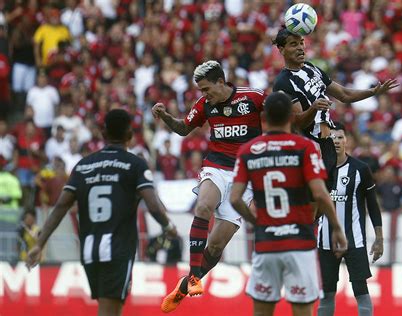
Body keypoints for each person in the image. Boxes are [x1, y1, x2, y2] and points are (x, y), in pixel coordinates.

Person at [26, 109, 177, 316]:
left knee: (110, 309)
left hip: (89, 251)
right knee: (108, 311)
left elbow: (61, 206)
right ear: (130, 135)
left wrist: (39, 244)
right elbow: (152, 205)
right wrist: (169, 227)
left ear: (103, 133)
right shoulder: (135, 165)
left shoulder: (83, 166)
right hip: (116, 250)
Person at [152, 60, 266, 313]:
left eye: (206, 89)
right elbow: (183, 128)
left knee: (215, 246)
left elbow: (280, 118)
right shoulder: (205, 105)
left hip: (245, 177)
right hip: (216, 167)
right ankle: (194, 277)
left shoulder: (255, 98)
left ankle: (183, 287)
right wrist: (166, 116)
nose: (203, 95)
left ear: (221, 82)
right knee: (203, 206)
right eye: (200, 91)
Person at [230, 92, 347, 316]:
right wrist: (337, 229)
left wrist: (257, 222)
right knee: (302, 310)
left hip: (266, 244)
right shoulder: (305, 148)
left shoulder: (249, 150)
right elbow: (321, 195)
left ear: (264, 117)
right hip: (299, 244)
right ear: (292, 117)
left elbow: (235, 198)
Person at [272, 27, 398, 192]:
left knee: (322, 203)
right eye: (293, 44)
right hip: (310, 146)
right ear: (281, 49)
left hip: (327, 145)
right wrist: (314, 108)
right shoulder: (283, 82)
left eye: (301, 43)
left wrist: (374, 92)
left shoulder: (312, 68)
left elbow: (344, 94)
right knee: (315, 200)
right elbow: (298, 123)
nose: (300, 48)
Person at [317, 122, 384, 316]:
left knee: (361, 291)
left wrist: (379, 239)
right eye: (332, 138)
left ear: (348, 140)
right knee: (327, 294)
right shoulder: (319, 169)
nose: (336, 141)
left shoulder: (360, 169)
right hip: (325, 241)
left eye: (340, 137)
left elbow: (373, 205)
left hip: (355, 240)